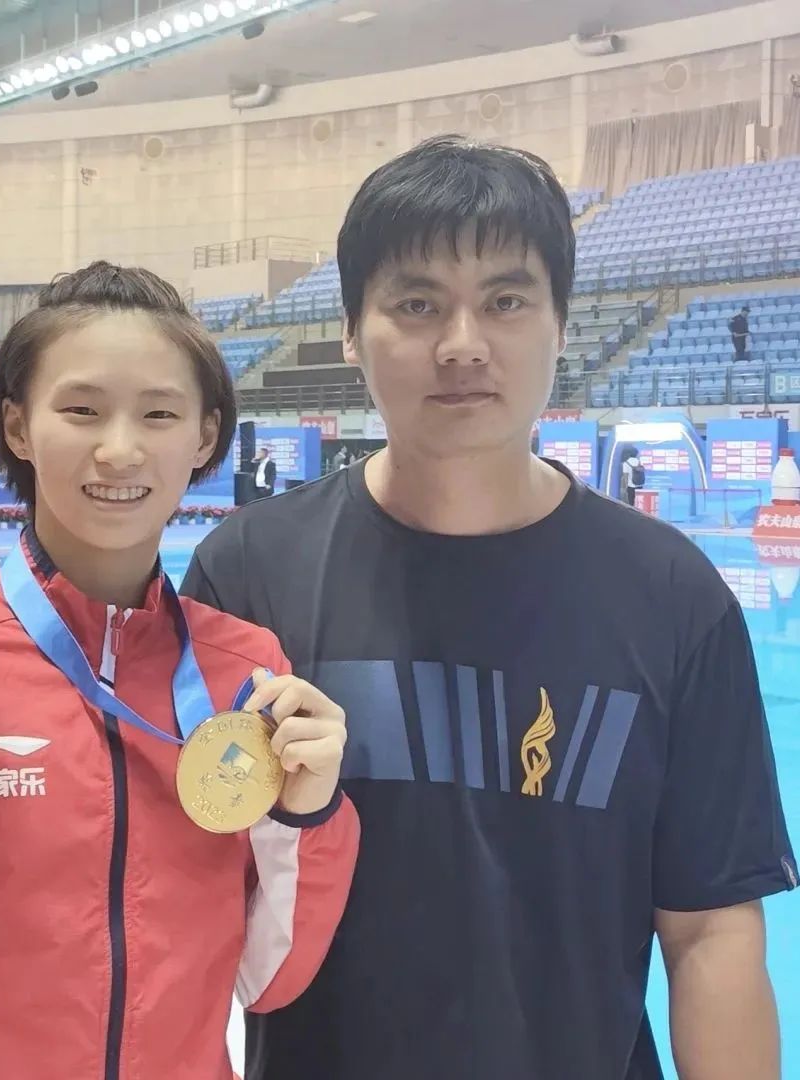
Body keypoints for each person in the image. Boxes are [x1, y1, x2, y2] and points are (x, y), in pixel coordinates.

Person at [182, 136, 795, 1080]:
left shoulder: (674, 596)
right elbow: (184, 897)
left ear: (560, 325)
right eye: (417, 304)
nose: (462, 343)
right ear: (350, 332)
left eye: (505, 301)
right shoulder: (247, 574)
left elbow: (710, 929)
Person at [0, 262, 359, 1079]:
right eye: (81, 410)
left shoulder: (248, 675)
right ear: (17, 425)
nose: (120, 449)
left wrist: (306, 815)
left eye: (159, 413)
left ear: (205, 436)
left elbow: (269, 980)